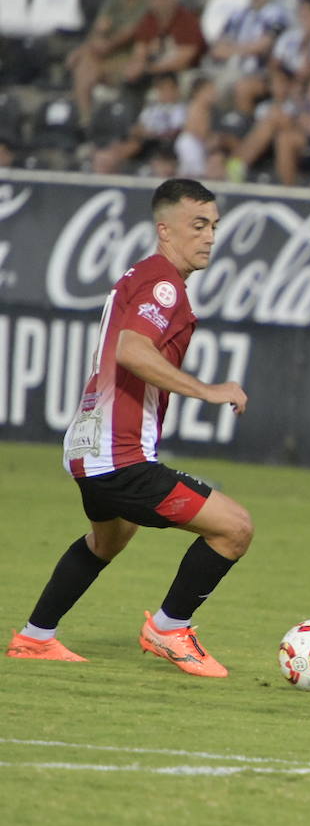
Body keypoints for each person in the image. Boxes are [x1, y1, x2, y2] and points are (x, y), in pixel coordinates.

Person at [6, 179, 252, 677]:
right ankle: (169, 628)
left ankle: (34, 638)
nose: (209, 237)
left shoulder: (141, 277)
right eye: (197, 225)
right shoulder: (162, 284)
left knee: (110, 538)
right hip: (119, 455)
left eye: (214, 227)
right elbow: (132, 350)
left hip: (86, 445)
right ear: (165, 229)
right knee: (234, 529)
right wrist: (208, 390)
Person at [67, 0, 149, 125]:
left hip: (130, 57)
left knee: (91, 62)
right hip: (105, 57)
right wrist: (86, 47)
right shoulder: (114, 1)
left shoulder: (146, 3)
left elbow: (131, 31)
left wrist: (108, 44)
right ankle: (85, 120)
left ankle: (91, 121)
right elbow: (100, 25)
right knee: (84, 65)